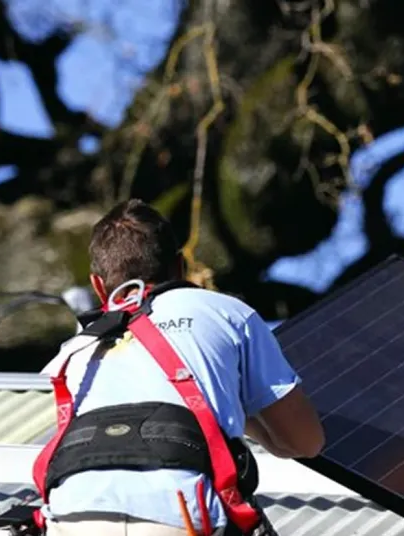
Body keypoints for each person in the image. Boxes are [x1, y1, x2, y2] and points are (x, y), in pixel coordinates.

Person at [34, 199, 325, 535]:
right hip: (178, 514)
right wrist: (240, 416)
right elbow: (306, 442)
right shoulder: (225, 313)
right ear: (180, 267)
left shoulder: (76, 350)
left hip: (72, 513)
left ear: (97, 285)